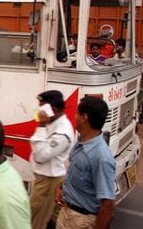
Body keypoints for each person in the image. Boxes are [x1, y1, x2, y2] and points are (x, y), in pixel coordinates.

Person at [55, 97, 116, 229]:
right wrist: (62, 187)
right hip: (67, 214)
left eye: (77, 113)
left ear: (84, 118)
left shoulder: (101, 157)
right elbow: (76, 171)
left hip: (81, 221)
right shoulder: (81, 142)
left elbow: (108, 205)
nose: (74, 116)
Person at [29, 90, 74, 229]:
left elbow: (40, 156)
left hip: (48, 182)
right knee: (55, 221)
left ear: (53, 109)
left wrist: (41, 126)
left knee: (35, 221)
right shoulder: (53, 122)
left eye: (42, 107)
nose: (39, 111)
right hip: (47, 179)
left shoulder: (62, 132)